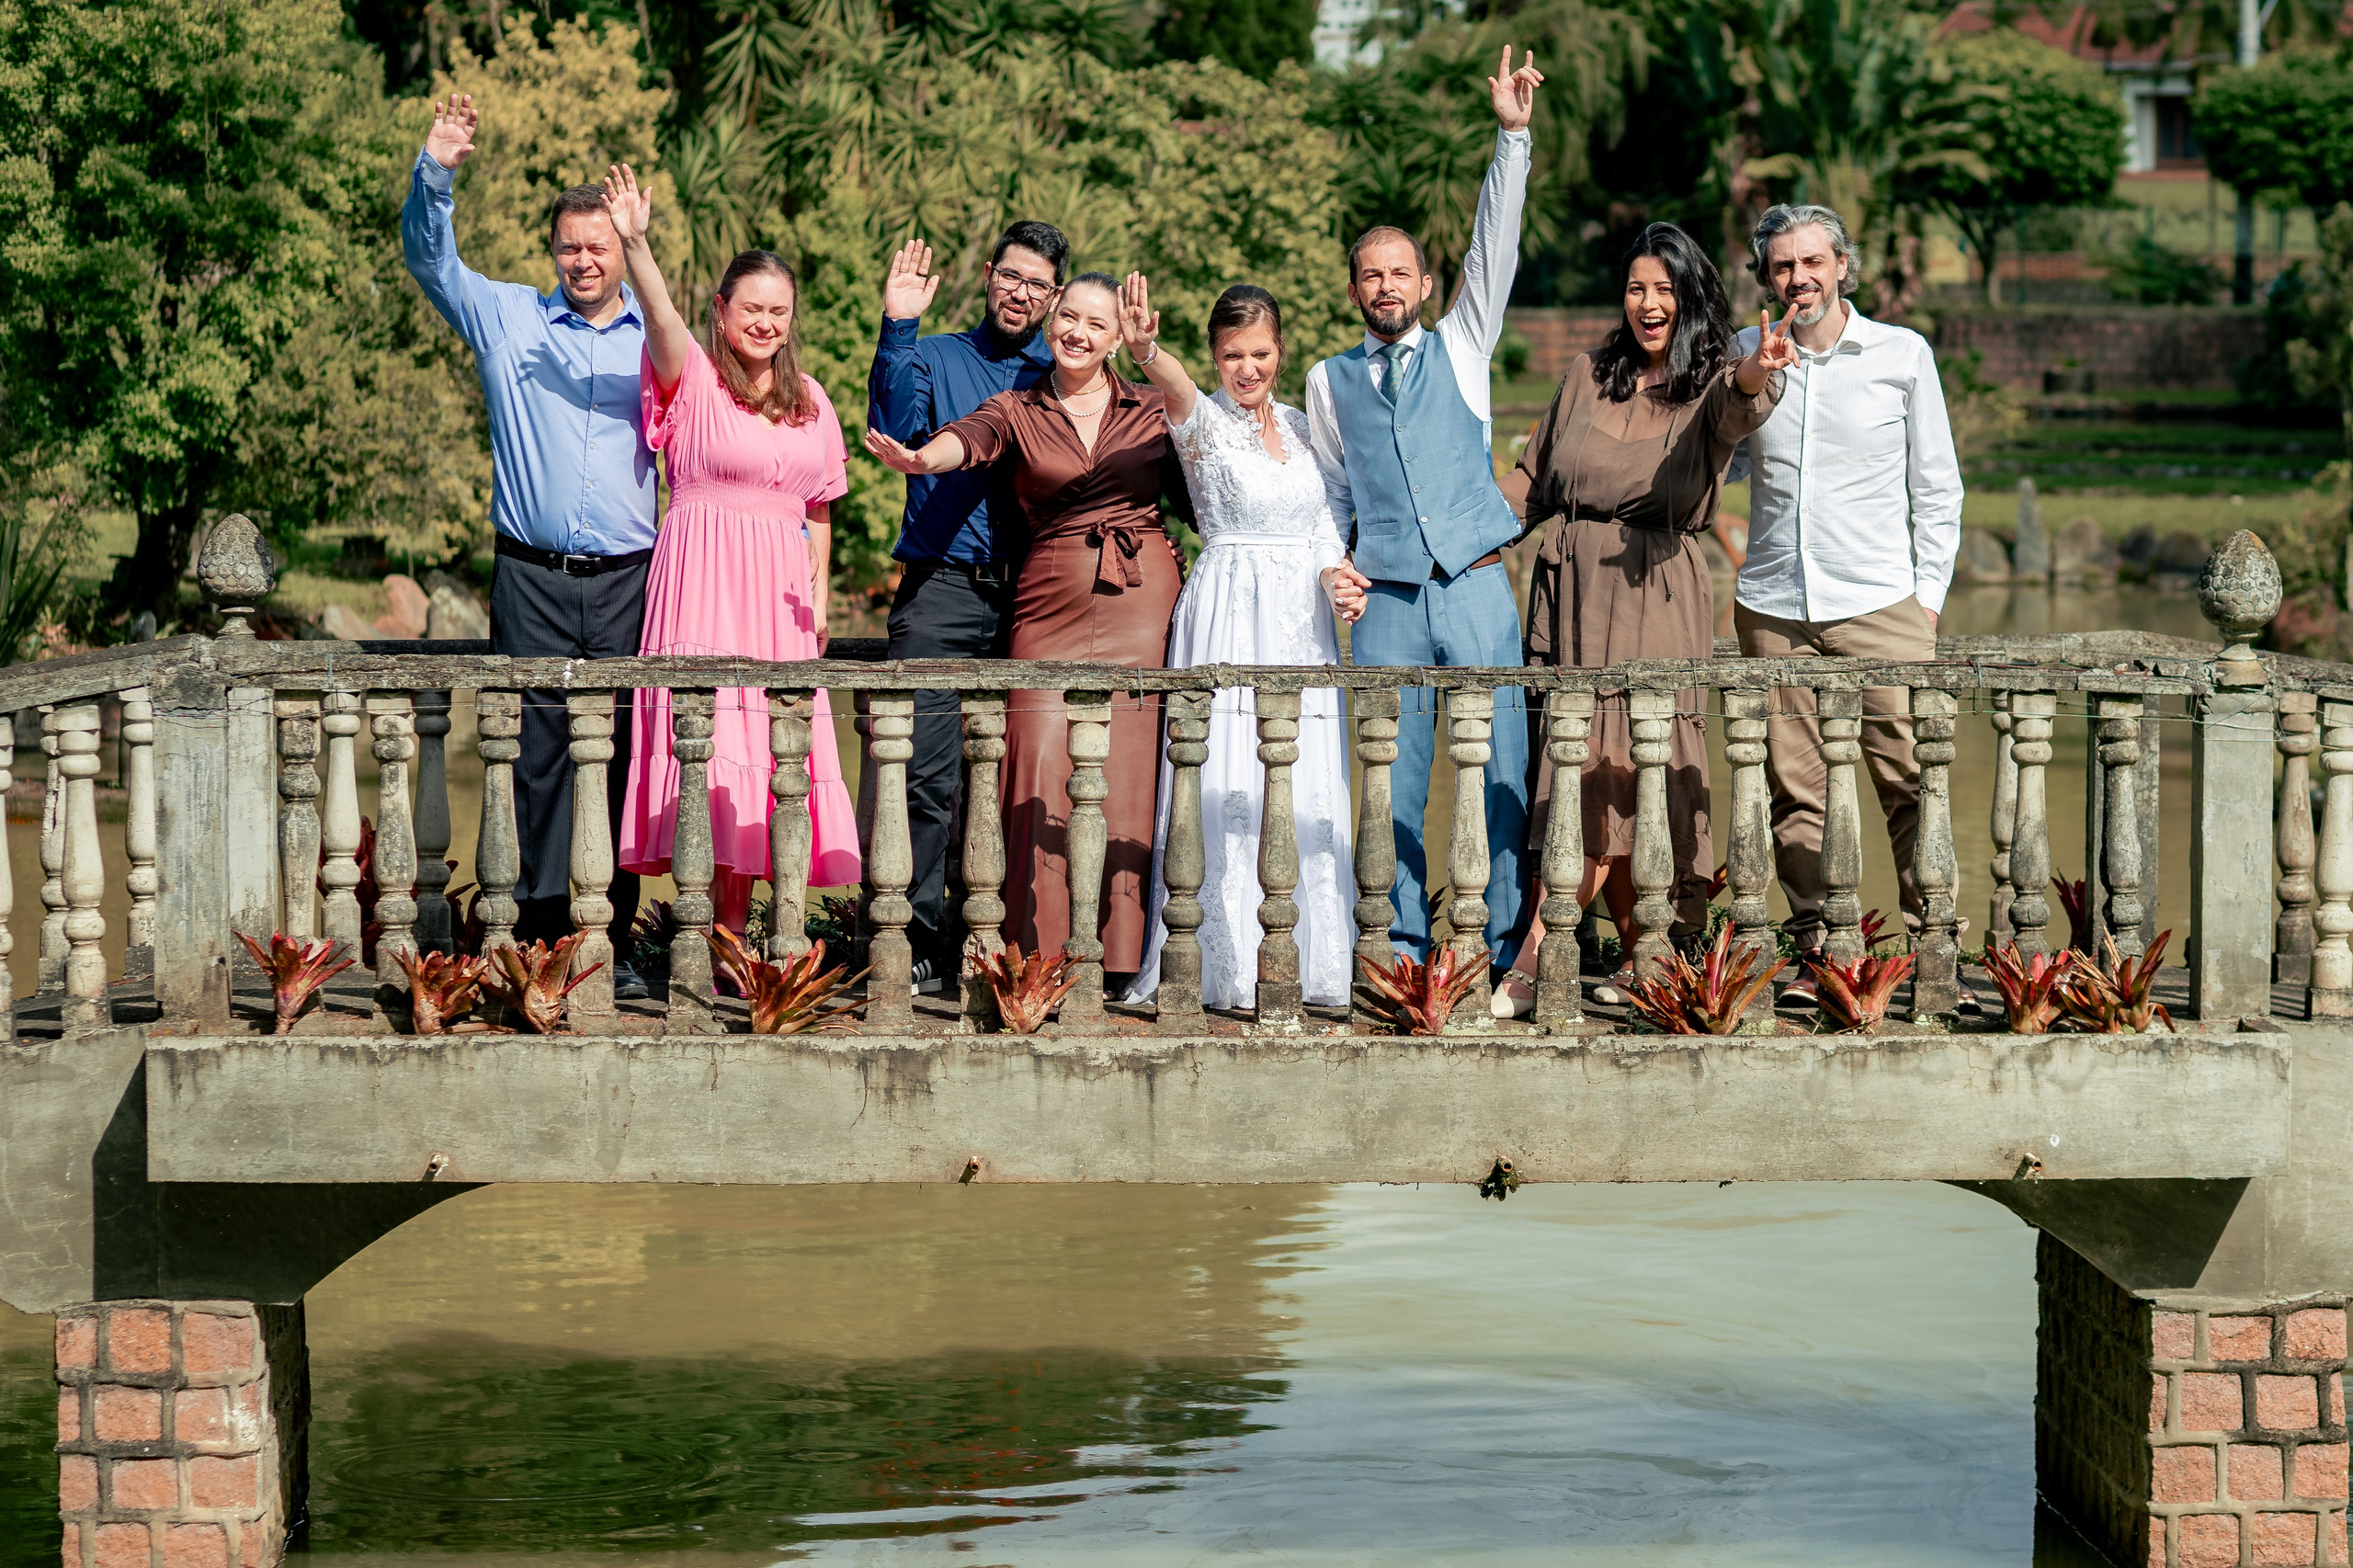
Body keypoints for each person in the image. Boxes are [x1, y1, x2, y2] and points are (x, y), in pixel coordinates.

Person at [1490, 224, 1793, 1017]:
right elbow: (1529, 482)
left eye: (1664, 289)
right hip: (1573, 594)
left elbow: (1740, 406)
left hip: (1655, 591)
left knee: (1626, 769)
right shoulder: (1589, 372)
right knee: (1584, 764)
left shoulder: (1710, 381)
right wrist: (1445, 549)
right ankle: (1644, 957)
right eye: (1636, 288)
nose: (1648, 303)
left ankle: (1534, 956)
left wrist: (1757, 370)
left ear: (1689, 297)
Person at [864, 274, 1188, 990]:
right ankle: (1035, 953)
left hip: (1141, 601)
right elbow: (967, 439)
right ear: (1052, 319)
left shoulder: (1152, 407)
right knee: (1036, 765)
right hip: (1047, 602)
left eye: (1094, 324)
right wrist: (922, 460)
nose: (1076, 331)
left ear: (1115, 339)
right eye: (1067, 315)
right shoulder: (1018, 404)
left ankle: (1121, 959)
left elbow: (1206, 462)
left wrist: (1155, 356)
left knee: (1131, 775)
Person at [1307, 46, 1545, 983]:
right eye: (1370, 274)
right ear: (1355, 287)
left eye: (1399, 272)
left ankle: (1497, 950)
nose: (1385, 287)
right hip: (1390, 599)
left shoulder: (1465, 341)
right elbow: (1329, 490)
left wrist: (1511, 141)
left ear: (1422, 281)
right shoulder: (1328, 382)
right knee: (1395, 779)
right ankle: (1404, 950)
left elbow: (1497, 242)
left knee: (1499, 772)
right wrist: (1338, 561)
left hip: (1479, 587)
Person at [402, 93, 649, 995]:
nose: (583, 261)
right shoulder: (507, 318)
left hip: (631, 579)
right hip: (532, 577)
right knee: (537, 759)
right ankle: (539, 944)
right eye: (570, 247)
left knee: (619, 755)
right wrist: (438, 172)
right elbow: (431, 262)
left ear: (624, 249)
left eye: (600, 246)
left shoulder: (656, 338)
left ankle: (606, 946)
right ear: (553, 252)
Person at [598, 166, 860, 931]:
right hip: (703, 587)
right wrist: (636, 243)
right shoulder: (694, 379)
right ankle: (696, 944)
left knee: (767, 772)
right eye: (753, 308)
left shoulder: (812, 399)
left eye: (780, 311)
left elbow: (819, 510)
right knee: (707, 757)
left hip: (778, 607)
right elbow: (657, 313)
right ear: (723, 310)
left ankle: (738, 947)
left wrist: (821, 601)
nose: (767, 323)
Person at [1115, 276, 1373, 1011]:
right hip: (1229, 603)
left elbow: (1329, 521)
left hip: (1303, 618)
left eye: (1260, 352)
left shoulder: (1299, 424)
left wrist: (1335, 576)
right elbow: (1174, 386)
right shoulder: (1201, 422)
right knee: (1227, 774)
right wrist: (1147, 351)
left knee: (1306, 777)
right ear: (1215, 356)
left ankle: (1313, 960)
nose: (1249, 368)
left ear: (1280, 350)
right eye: (1234, 355)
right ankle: (1219, 963)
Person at [1727, 202, 1964, 992]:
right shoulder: (1747, 353)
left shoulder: (1902, 354)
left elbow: (1936, 488)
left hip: (1881, 604)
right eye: (1783, 266)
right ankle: (1821, 952)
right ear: (1767, 276)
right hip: (1773, 607)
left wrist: (1924, 601)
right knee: (1796, 790)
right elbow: (1715, 463)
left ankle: (1936, 954)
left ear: (1841, 267)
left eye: (1813, 262)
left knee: (1908, 781)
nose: (1799, 278)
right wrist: (1749, 383)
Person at [867, 224, 1067, 994]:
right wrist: (899, 325)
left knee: (1026, 777)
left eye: (1038, 285)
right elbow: (896, 420)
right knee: (924, 770)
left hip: (1035, 593)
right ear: (989, 276)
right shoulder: (940, 355)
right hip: (943, 586)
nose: (1021, 294)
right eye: (1011, 277)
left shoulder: (1062, 373)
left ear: (1053, 298)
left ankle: (1004, 937)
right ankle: (917, 938)